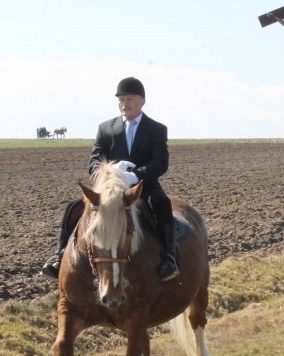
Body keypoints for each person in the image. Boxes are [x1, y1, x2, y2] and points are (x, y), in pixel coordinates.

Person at [41, 77, 181, 281]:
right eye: (121, 99)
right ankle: (59, 255)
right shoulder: (105, 128)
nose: (125, 103)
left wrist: (134, 175)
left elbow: (160, 162)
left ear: (142, 101)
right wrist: (112, 170)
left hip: (142, 186)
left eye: (130, 99)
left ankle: (169, 258)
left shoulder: (156, 129)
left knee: (161, 203)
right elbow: (94, 162)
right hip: (108, 189)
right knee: (72, 207)